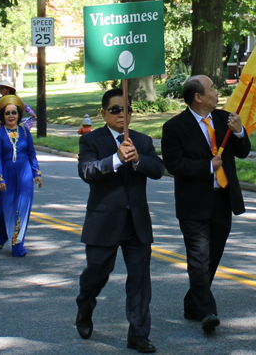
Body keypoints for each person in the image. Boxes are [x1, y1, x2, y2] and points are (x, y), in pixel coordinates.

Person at [75, 88, 164, 353]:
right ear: (103, 113)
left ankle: (138, 333)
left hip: (136, 223)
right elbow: (87, 171)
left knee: (139, 280)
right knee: (96, 274)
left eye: (126, 109)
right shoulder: (91, 141)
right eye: (115, 110)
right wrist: (115, 159)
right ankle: (85, 306)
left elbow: (159, 169)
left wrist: (138, 160)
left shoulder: (142, 140)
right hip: (104, 222)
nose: (121, 115)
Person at [161, 75, 251, 333]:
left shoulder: (225, 119)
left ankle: (193, 303)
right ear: (198, 97)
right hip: (194, 204)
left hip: (222, 198)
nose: (217, 92)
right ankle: (207, 312)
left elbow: (243, 151)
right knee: (199, 258)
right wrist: (205, 167)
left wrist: (239, 131)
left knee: (212, 257)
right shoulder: (175, 127)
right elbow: (173, 164)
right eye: (212, 89)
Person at [0, 95, 42, 257]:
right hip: (6, 175)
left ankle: (17, 244)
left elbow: (31, 154)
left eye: (14, 112)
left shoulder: (25, 133)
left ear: (19, 115)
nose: (11, 116)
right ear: (3, 116)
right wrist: (0, 178)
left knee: (22, 209)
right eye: (7, 113)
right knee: (4, 209)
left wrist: (37, 173)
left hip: (25, 175)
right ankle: (1, 234)